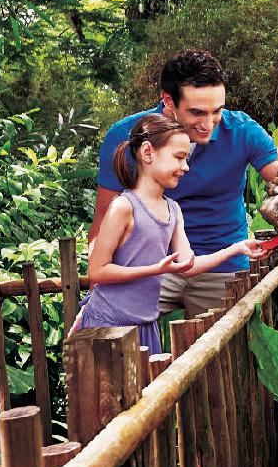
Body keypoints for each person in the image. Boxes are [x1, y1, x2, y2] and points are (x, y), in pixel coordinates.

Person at [89, 49, 278, 319]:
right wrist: (98, 298)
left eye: (217, 111)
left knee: (224, 356)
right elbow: (101, 220)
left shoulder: (242, 131)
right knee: (123, 348)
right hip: (150, 267)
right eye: (197, 113)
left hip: (221, 266)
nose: (208, 123)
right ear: (168, 100)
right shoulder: (125, 135)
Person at [75, 114, 267, 353]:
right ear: (147, 153)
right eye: (179, 158)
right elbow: (98, 270)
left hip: (146, 325)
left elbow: (189, 265)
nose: (185, 167)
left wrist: (236, 249)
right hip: (110, 323)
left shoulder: (173, 209)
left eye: (187, 159)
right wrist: (157, 269)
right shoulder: (123, 206)